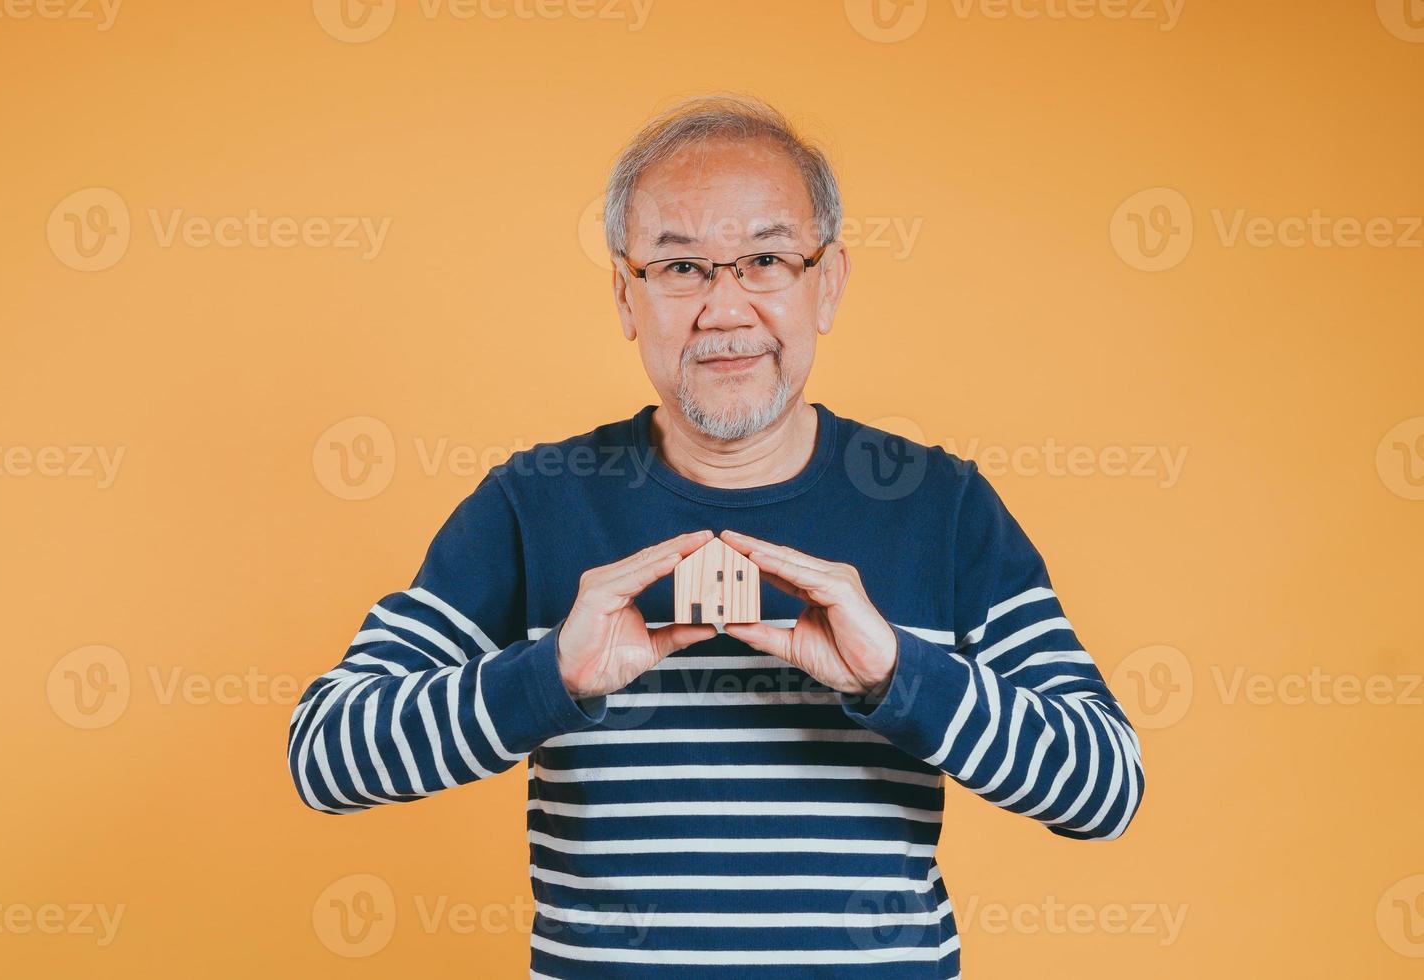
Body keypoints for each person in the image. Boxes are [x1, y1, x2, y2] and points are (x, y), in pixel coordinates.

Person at [286, 92, 1145, 978]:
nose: (725, 309)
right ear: (626, 296)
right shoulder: (534, 503)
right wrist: (550, 678)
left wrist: (899, 674)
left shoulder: (941, 505)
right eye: (683, 268)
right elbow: (325, 758)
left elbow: (1106, 788)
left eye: (766, 259)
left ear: (828, 283)